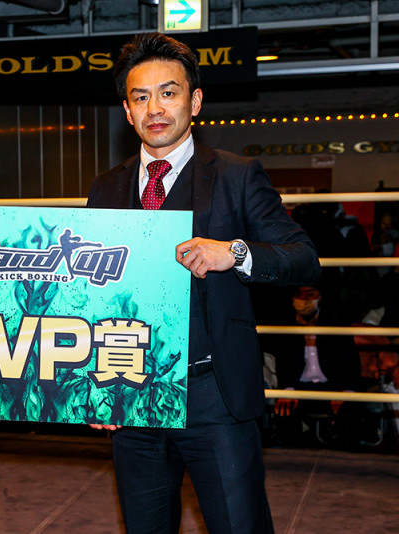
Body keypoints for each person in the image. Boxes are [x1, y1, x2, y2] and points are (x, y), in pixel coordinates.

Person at [86, 33, 320, 533]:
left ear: (194, 102)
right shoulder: (106, 186)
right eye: (140, 97)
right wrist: (92, 387)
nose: (155, 108)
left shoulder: (237, 175)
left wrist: (234, 253)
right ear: (127, 111)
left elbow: (303, 259)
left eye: (168, 93)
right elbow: (92, 296)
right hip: (132, 397)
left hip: (215, 394)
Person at [269, 287, 361, 447]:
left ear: (320, 297)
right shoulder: (286, 323)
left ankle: (344, 459)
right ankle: (292, 459)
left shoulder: (336, 320)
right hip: (299, 387)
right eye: (298, 294)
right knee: (284, 411)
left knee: (350, 413)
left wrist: (346, 392)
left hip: (333, 386)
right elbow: (283, 362)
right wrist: (287, 390)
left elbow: (349, 359)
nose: (304, 299)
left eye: (310, 294)